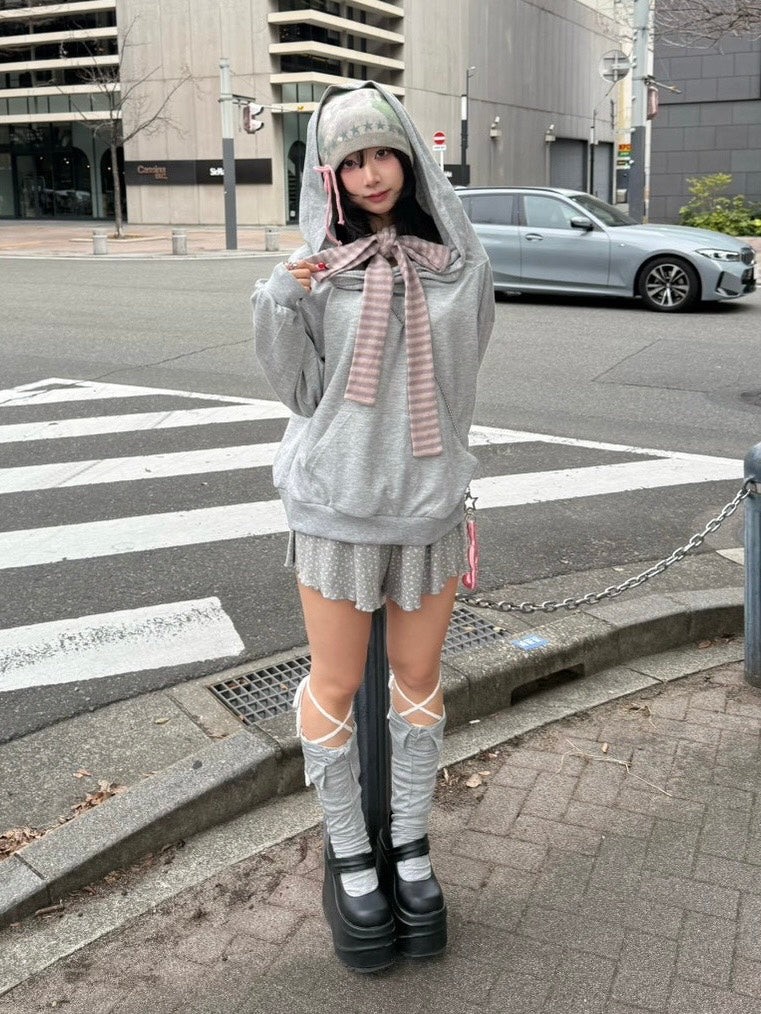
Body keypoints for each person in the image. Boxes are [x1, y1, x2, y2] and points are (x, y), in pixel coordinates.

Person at [252, 81, 494, 972]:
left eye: (382, 152)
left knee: (420, 682)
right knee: (336, 682)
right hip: (336, 506)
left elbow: (465, 371)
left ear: (410, 157)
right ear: (330, 176)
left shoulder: (459, 265)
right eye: (349, 161)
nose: (370, 174)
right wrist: (281, 299)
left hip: (427, 505)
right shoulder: (318, 272)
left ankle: (411, 847)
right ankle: (351, 852)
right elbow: (301, 394)